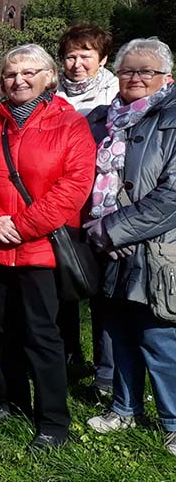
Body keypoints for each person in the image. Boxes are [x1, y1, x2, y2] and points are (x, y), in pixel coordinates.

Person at [0, 44, 95, 452]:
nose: (18, 80)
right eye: (10, 74)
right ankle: (12, 400)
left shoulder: (70, 125)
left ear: (49, 77)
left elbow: (73, 187)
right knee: (0, 329)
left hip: (41, 249)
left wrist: (22, 226)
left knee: (42, 334)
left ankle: (53, 420)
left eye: (28, 73)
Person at [84, 38, 176, 458]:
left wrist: (113, 229)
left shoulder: (171, 120)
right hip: (108, 246)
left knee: (158, 338)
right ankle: (125, 407)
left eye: (146, 72)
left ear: (166, 79)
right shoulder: (106, 118)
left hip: (156, 249)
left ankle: (173, 422)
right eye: (127, 71)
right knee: (117, 331)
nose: (135, 78)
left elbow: (171, 197)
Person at [56, 23, 119, 396]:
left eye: (86, 56)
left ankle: (106, 372)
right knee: (64, 284)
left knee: (102, 294)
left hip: (102, 209)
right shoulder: (52, 94)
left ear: (103, 59)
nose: (77, 64)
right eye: (70, 56)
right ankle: (68, 354)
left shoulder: (116, 98)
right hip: (63, 208)